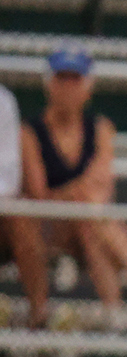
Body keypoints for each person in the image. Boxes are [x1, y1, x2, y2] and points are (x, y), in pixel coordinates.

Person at [19, 48, 127, 331]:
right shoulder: (31, 132)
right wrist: (77, 196)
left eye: (75, 80)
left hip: (87, 226)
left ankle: (116, 312)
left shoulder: (101, 128)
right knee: (91, 210)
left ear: (88, 87)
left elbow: (102, 183)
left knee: (91, 223)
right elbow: (38, 195)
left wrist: (74, 197)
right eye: (61, 79)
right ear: (49, 85)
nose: (68, 88)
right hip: (49, 229)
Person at [0, 82, 52, 341]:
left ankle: (39, 321)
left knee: (21, 220)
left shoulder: (3, 101)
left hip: (2, 212)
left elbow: (7, 177)